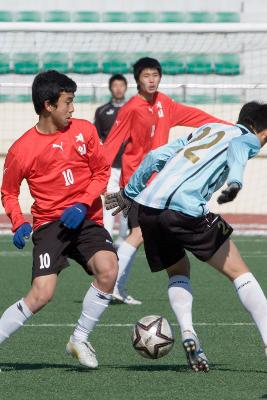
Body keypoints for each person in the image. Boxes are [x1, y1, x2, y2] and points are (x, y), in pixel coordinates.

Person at [106, 101, 267, 372]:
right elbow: (239, 149)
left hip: (149, 209)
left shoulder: (206, 129)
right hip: (185, 211)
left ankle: (189, 332)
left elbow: (155, 155)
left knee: (179, 270)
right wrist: (235, 183)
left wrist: (129, 193)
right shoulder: (248, 138)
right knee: (240, 273)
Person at [0, 70, 118, 369]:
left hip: (86, 217)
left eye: (73, 101)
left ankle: (79, 338)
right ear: (48, 105)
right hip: (49, 224)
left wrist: (81, 203)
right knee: (42, 294)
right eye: (67, 102)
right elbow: (9, 192)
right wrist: (19, 222)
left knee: (108, 270)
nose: (72, 108)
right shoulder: (21, 149)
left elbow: (101, 172)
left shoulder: (85, 131)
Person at [103, 56, 230, 305]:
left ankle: (115, 286)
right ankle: (111, 284)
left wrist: (230, 128)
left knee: (138, 234)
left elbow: (196, 116)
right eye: (146, 76)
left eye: (155, 75)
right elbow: (110, 146)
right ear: (137, 80)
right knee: (139, 233)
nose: (151, 80)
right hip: (135, 183)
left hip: (159, 184)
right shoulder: (130, 109)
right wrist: (94, 179)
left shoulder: (165, 103)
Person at [94, 74, 128, 248]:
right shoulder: (101, 111)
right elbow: (97, 139)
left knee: (126, 202)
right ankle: (106, 237)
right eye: (115, 85)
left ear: (126, 87)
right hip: (110, 166)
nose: (118, 88)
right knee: (109, 201)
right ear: (111, 88)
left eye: (121, 85)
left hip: (130, 166)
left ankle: (123, 238)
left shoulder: (133, 109)